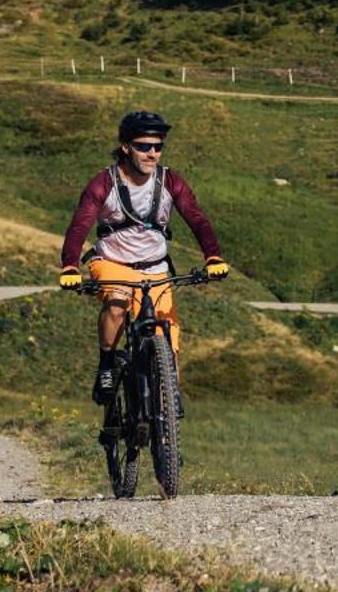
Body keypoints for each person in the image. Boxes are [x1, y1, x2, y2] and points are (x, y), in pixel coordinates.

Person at [58, 110, 229, 403]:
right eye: (144, 146)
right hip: (113, 263)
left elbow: (197, 219)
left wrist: (213, 256)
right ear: (126, 147)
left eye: (158, 147)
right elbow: (80, 224)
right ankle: (107, 364)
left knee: (168, 335)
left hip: (156, 267)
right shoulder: (104, 183)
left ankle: (165, 414)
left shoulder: (171, 181)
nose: (152, 154)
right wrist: (70, 266)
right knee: (117, 304)